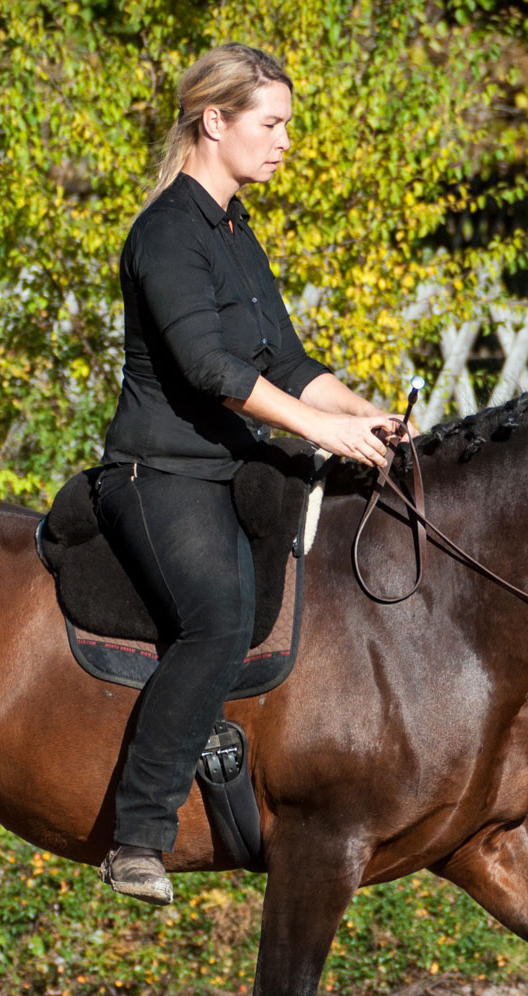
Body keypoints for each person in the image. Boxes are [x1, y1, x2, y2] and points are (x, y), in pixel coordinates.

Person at [95, 42, 401, 905]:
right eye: (272, 125)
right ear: (214, 121)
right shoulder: (164, 235)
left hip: (240, 467)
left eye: (287, 127)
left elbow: (290, 363)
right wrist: (319, 431)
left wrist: (366, 415)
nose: (285, 143)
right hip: (161, 475)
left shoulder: (237, 232)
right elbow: (209, 370)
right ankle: (140, 834)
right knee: (220, 618)